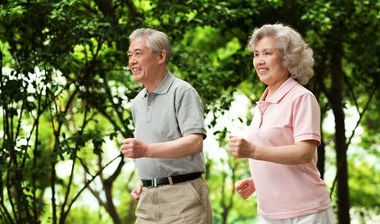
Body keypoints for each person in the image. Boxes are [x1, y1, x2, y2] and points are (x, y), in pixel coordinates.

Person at [228, 23, 335, 224]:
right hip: (269, 214)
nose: (259, 61)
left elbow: (304, 153)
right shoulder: (264, 101)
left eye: (267, 53)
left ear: (288, 59)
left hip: (307, 213)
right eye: (256, 54)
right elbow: (277, 149)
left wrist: (252, 151)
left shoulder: (301, 98)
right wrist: (258, 181)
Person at [121, 28, 212, 224]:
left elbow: (195, 143)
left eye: (138, 53)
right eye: (129, 55)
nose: (132, 61)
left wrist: (145, 150)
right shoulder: (137, 103)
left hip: (183, 198)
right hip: (147, 200)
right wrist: (148, 180)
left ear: (160, 56)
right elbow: (155, 149)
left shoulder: (183, 92)